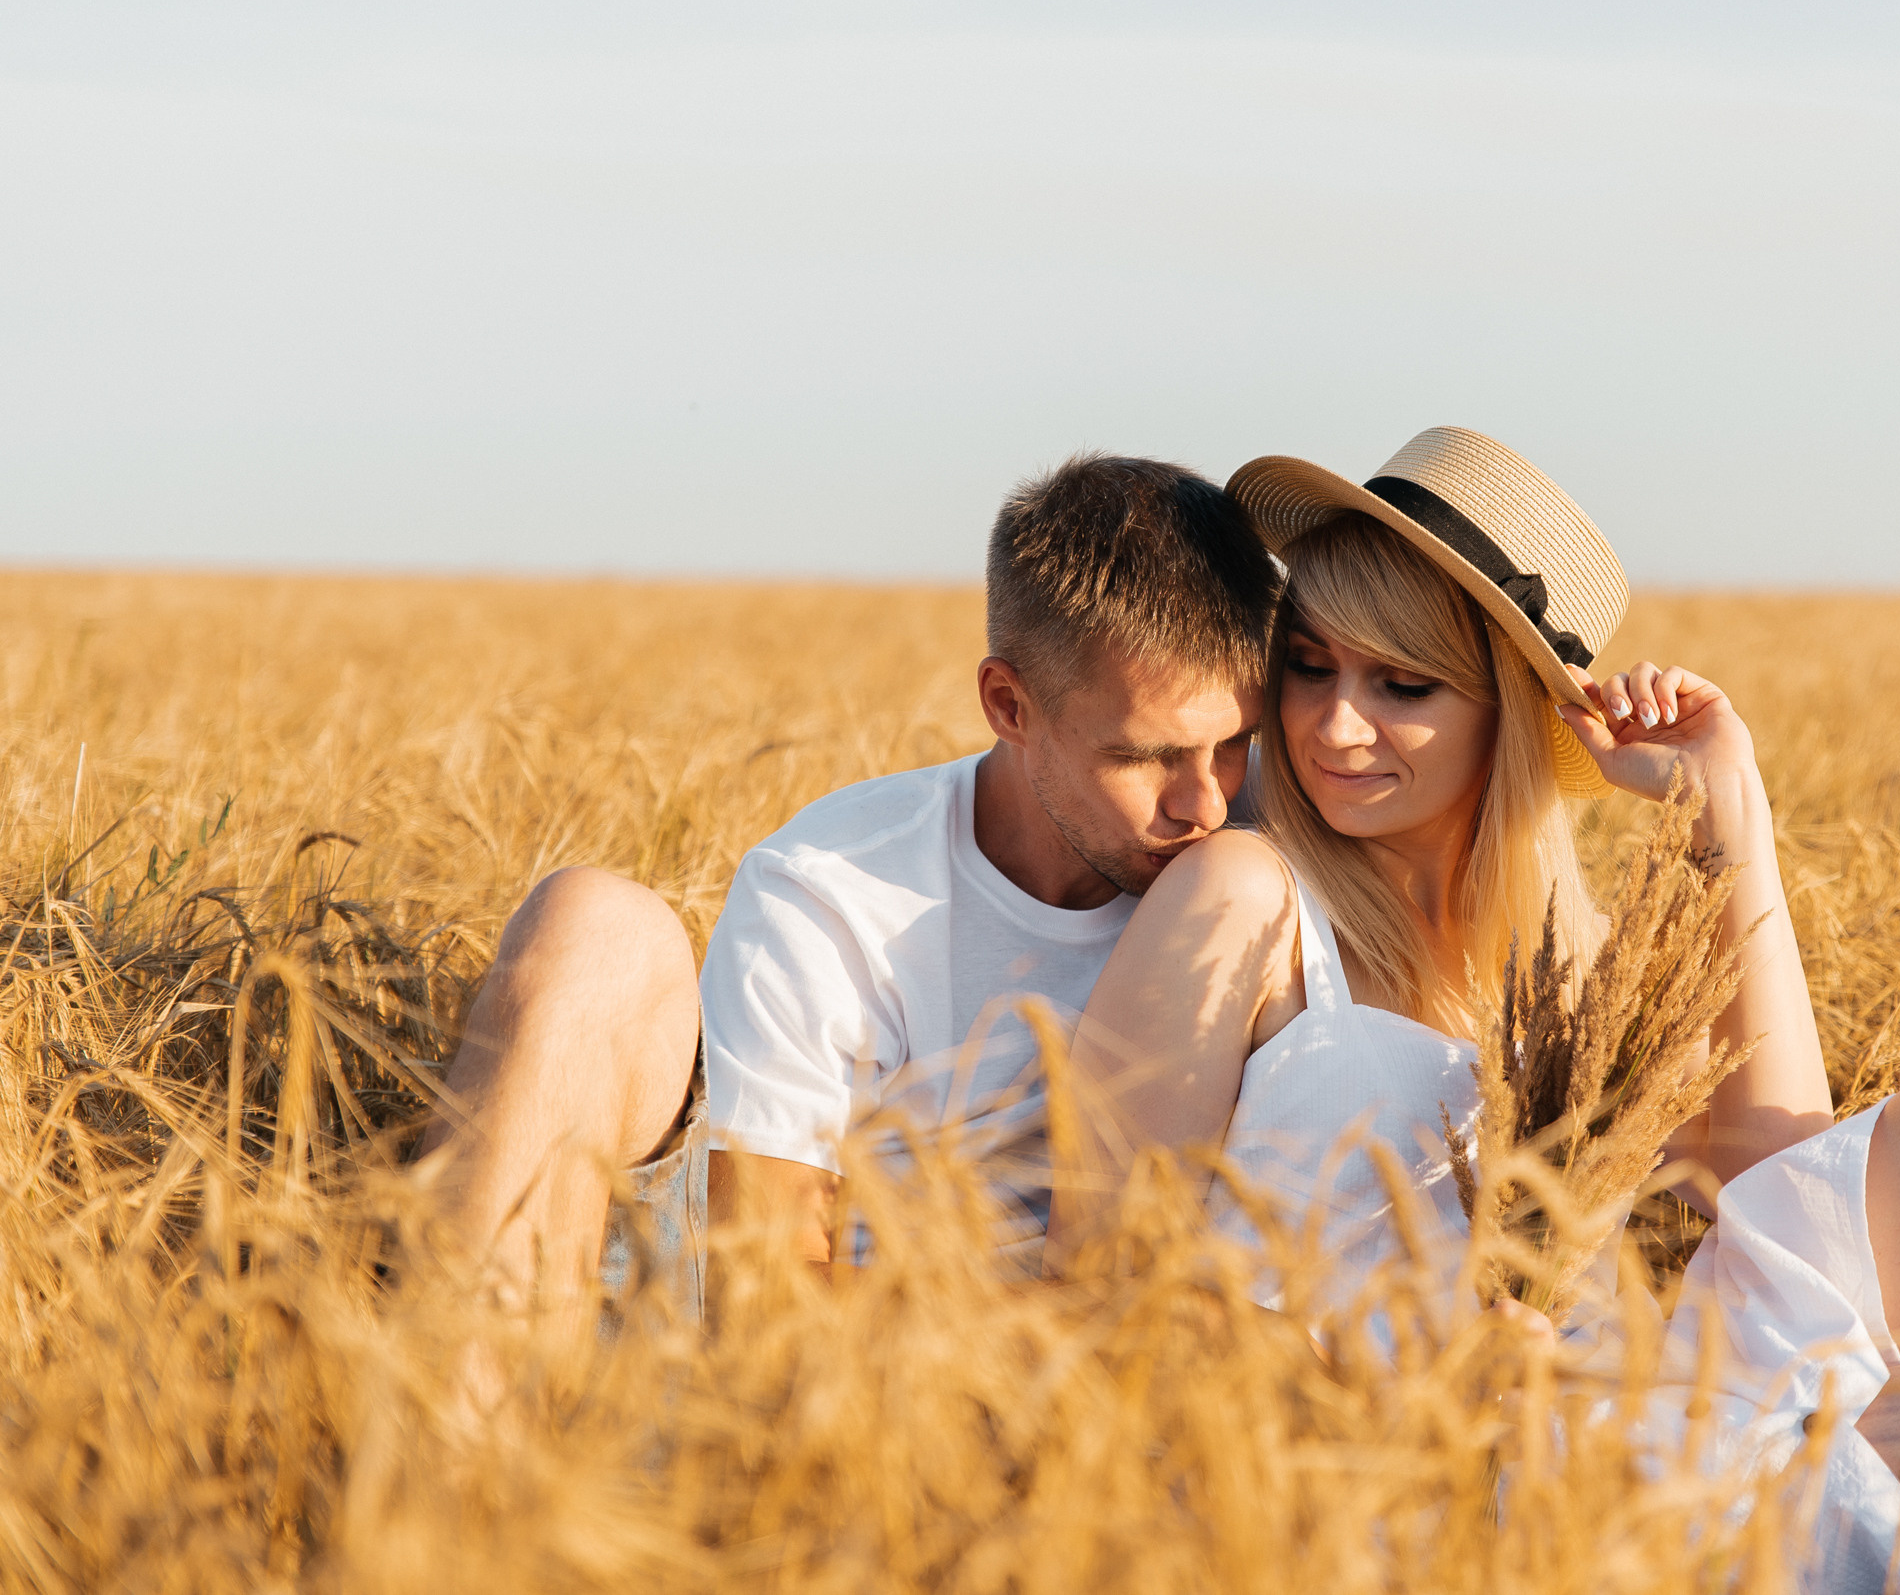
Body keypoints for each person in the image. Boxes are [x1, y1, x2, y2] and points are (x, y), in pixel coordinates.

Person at [1045, 427, 1900, 1588]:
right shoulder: (1246, 895)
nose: (1334, 725)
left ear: (1507, 710)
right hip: (1405, 1488)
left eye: (1403, 685)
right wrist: (1402, 1384)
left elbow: (1788, 1171)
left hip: (1625, 1422)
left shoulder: (1556, 956)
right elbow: (1102, 1283)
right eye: (1313, 665)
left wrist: (1731, 815)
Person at [417, 452, 1278, 1319]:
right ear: (1009, 705)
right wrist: (1099, 1330)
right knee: (593, 927)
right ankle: (452, 1438)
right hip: (814, 1378)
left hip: (1128, 1392)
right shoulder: (835, 888)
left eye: (1235, 741)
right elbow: (769, 1298)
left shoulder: (1273, 853)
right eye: (1143, 755)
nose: (1205, 802)